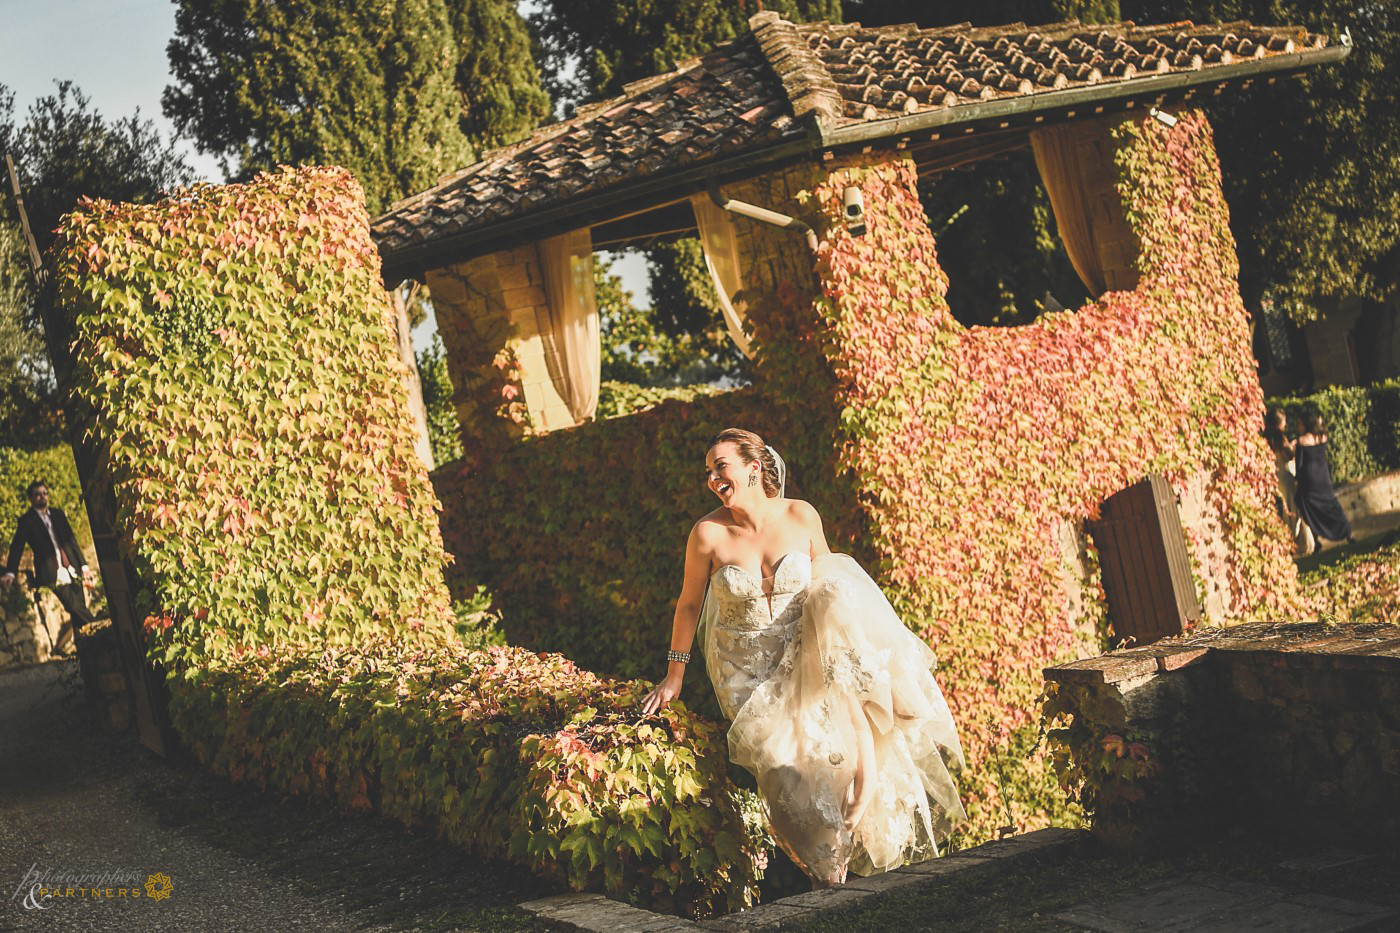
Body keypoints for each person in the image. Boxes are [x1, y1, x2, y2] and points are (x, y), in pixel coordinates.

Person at [641, 428, 965, 887]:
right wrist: (674, 676)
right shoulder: (707, 534)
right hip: (747, 671)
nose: (713, 478)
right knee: (785, 775)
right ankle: (828, 874)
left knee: (832, 592)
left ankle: (878, 695)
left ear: (754, 468)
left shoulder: (800, 514)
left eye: (721, 466)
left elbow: (835, 583)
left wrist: (862, 661)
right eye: (708, 471)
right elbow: (689, 605)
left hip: (808, 653)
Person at [2, 480, 95, 653]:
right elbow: (16, 547)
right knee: (74, 607)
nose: (42, 497)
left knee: (77, 616)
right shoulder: (27, 521)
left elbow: (72, 541)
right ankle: (100, 627)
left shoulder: (58, 514)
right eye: (37, 494)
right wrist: (11, 572)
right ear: (31, 498)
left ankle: (87, 655)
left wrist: (84, 566)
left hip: (72, 568)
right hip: (52, 574)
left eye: (45, 493)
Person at [1293, 412, 1354, 550]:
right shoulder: (1323, 437)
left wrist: (1297, 479)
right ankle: (1346, 531)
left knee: (1308, 507)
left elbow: (1299, 465)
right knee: (1331, 504)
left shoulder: (1302, 441)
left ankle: (1316, 540)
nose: (1298, 426)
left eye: (1299, 423)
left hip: (1309, 479)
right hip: (1323, 475)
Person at [1263, 408, 1314, 556]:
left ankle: (1295, 543)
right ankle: (1294, 544)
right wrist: (1293, 446)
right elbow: (1289, 455)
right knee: (1293, 511)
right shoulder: (1279, 437)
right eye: (1284, 420)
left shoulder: (1268, 437)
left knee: (1288, 511)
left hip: (1277, 477)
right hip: (1285, 476)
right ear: (1280, 421)